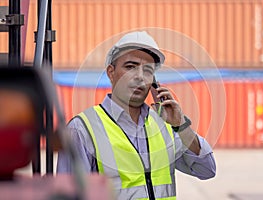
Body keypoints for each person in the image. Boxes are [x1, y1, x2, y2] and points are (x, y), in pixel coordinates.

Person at [57, 31, 216, 199]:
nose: (140, 76)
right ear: (111, 72)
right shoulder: (82, 129)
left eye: (147, 70)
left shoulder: (165, 126)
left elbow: (207, 170)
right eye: (130, 67)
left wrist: (181, 125)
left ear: (154, 81)